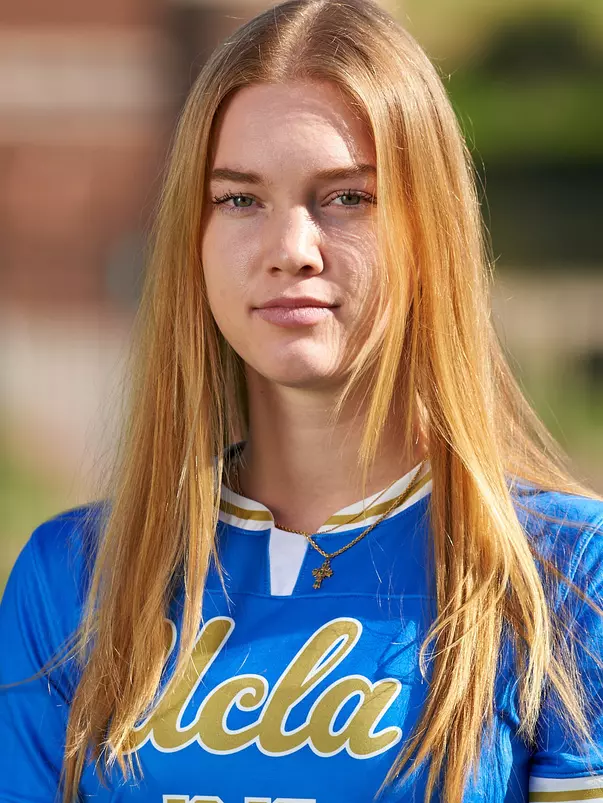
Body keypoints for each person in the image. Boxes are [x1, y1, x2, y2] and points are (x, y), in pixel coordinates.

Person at [1, 0, 603, 801]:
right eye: (238, 199)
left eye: (346, 197)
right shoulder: (71, 579)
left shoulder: (564, 574)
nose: (290, 249)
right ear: (192, 238)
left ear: (431, 231)